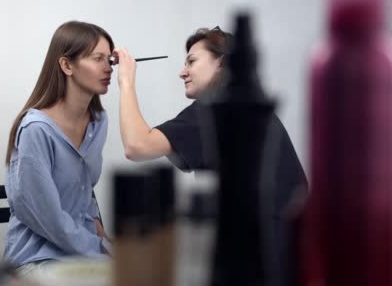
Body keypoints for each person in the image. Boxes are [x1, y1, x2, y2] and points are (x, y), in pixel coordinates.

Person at [114, 26, 307, 277]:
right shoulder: (241, 111)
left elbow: (137, 146)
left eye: (192, 61)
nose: (182, 72)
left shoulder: (213, 112)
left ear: (222, 64)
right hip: (284, 257)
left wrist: (126, 81)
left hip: (264, 263)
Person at [3, 21, 113, 270]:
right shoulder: (36, 129)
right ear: (66, 65)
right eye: (98, 59)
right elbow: (48, 218)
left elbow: (84, 198)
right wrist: (100, 250)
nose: (108, 68)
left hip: (83, 254)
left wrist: (109, 246)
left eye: (110, 60)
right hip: (37, 258)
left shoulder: (98, 123)